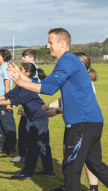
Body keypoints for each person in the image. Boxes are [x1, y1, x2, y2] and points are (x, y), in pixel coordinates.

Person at [7, 28, 108, 191]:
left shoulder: (67, 60)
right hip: (91, 122)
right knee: (96, 166)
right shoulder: (67, 61)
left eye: (50, 42)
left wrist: (21, 82)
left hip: (83, 123)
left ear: (62, 43)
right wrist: (23, 78)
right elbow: (49, 83)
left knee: (71, 167)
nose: (47, 46)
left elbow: (50, 88)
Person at [0, 62, 54, 179]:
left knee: (33, 145)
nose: (18, 70)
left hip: (39, 117)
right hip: (36, 116)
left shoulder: (28, 86)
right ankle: (49, 170)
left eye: (21, 69)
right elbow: (10, 94)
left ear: (28, 73)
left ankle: (27, 172)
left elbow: (16, 100)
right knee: (42, 144)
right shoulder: (21, 84)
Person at [42, 53, 99, 191]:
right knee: (68, 159)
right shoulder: (73, 80)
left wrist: (56, 111)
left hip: (81, 125)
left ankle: (93, 188)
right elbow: (64, 99)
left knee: (87, 161)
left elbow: (75, 104)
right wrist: (50, 105)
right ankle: (69, 185)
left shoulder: (86, 83)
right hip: (70, 124)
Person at [12, 49, 40, 163]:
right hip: (27, 103)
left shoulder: (33, 70)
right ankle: (29, 153)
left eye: (26, 57)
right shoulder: (27, 68)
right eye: (23, 56)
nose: (23, 58)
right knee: (26, 130)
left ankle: (25, 155)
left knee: (25, 131)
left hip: (30, 104)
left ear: (32, 59)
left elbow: (31, 89)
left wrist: (24, 105)